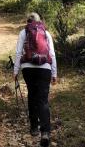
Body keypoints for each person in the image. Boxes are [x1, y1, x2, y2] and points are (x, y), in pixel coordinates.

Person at [13, 12, 57, 147]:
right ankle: (45, 132)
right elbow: (52, 54)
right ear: (40, 21)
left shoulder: (23, 32)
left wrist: (15, 71)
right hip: (45, 68)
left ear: (28, 22)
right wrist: (54, 73)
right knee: (43, 99)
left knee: (32, 96)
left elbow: (18, 52)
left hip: (28, 68)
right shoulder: (46, 33)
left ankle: (33, 128)